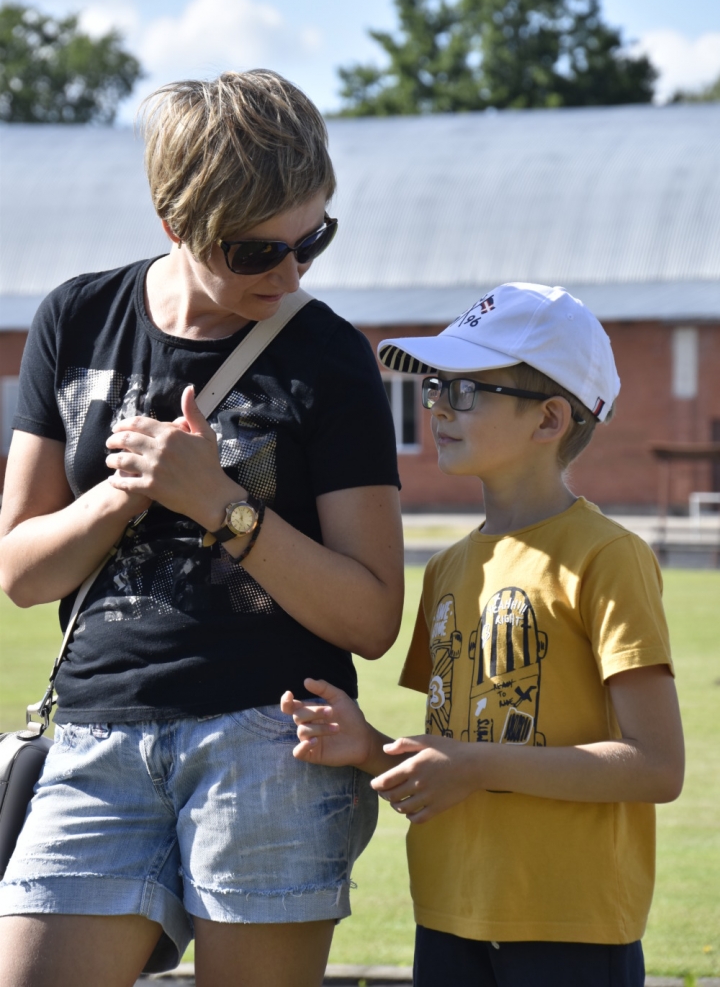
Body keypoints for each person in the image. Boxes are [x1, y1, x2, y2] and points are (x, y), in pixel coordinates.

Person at [0, 70, 404, 987]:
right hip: (94, 738)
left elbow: (373, 616)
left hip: (273, 743)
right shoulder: (77, 318)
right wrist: (130, 490)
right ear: (173, 222)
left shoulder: (331, 356)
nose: (290, 274)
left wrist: (221, 505)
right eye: (256, 252)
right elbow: (20, 571)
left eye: (314, 240)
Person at [282, 282, 685, 987]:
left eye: (466, 390)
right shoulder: (445, 569)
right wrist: (369, 747)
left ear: (549, 418)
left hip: (569, 923)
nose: (437, 406)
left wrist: (473, 765)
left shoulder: (607, 557)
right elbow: (458, 750)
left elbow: (656, 766)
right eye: (437, 386)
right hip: (448, 913)